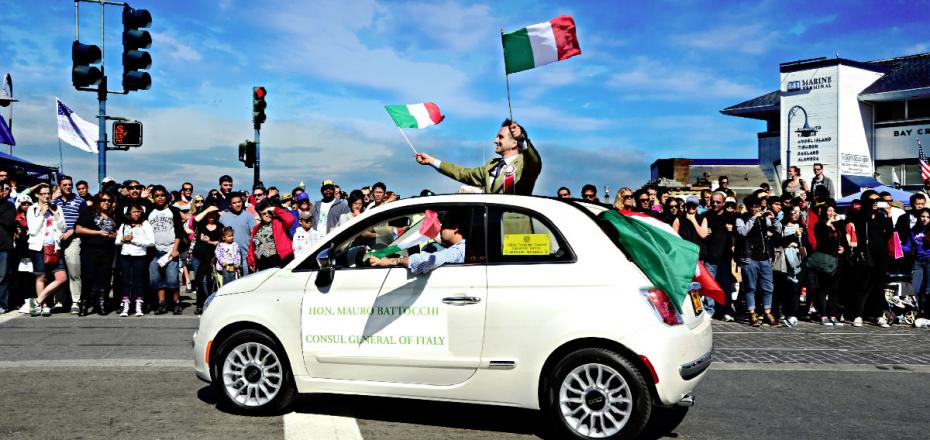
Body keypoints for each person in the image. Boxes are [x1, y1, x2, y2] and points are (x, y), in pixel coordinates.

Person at [415, 120, 541, 195]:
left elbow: (534, 161)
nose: (495, 141)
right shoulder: (491, 166)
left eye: (500, 137)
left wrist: (522, 139)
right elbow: (462, 173)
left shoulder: (525, 164)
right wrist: (432, 161)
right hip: (489, 228)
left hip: (514, 232)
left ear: (514, 143)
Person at [370, 210, 467, 274]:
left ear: (455, 228)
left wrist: (393, 261)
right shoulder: (463, 248)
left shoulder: (459, 250)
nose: (440, 228)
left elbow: (426, 261)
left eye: (444, 224)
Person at [735, 196, 781, 326]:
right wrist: (754, 218)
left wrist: (774, 219)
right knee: (750, 288)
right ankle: (752, 313)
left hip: (765, 257)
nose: (757, 209)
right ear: (749, 207)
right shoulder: (741, 218)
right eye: (754, 206)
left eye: (759, 206)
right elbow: (743, 232)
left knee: (768, 287)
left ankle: (767, 312)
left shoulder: (763, 218)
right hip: (749, 258)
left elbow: (778, 231)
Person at [852, 192, 893, 328]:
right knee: (863, 285)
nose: (876, 203)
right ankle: (858, 314)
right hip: (867, 254)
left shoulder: (881, 216)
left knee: (879, 286)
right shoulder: (861, 216)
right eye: (872, 201)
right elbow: (859, 230)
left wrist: (888, 215)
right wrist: (869, 211)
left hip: (881, 255)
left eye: (878, 200)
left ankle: (878, 315)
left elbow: (889, 233)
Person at [26, 184, 67, 317]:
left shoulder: (56, 207)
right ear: (37, 195)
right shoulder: (32, 209)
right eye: (43, 194)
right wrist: (42, 214)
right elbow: (32, 230)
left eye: (48, 193)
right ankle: (44, 306)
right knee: (41, 277)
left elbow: (63, 228)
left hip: (54, 247)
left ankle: (37, 301)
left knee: (62, 277)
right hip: (38, 247)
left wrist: (55, 215)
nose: (46, 196)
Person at [75, 193, 118, 316]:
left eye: (109, 200)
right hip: (89, 250)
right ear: (98, 201)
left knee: (104, 279)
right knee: (88, 278)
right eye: (103, 200)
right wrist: (98, 233)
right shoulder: (89, 212)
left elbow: (117, 232)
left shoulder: (113, 215)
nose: (106, 202)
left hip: (107, 251)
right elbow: (78, 229)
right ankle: (84, 304)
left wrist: (114, 235)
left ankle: (102, 304)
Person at [146, 185, 185, 315]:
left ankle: (176, 303)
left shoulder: (173, 210)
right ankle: (161, 303)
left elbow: (179, 232)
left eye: (162, 195)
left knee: (172, 279)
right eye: (157, 196)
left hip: (170, 250)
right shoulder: (149, 211)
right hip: (154, 251)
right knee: (156, 279)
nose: (160, 198)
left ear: (166, 196)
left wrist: (175, 249)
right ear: (153, 197)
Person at [52, 176, 85, 313]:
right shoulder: (54, 202)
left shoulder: (79, 201)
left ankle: (75, 301)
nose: (68, 187)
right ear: (60, 186)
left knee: (74, 272)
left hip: (73, 239)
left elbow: (84, 220)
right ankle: (59, 301)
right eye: (65, 184)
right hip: (56, 241)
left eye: (70, 184)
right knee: (58, 273)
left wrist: (72, 230)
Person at [114, 202, 154, 317]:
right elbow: (117, 241)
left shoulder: (145, 224)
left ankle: (138, 305)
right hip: (125, 256)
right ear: (129, 213)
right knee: (125, 281)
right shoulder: (124, 225)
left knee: (139, 282)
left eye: (139, 211)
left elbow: (151, 242)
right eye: (134, 212)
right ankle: (126, 306)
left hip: (140, 256)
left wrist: (134, 240)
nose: (137, 214)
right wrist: (123, 239)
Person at [701, 191, 736, 321]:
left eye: (718, 202)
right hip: (710, 256)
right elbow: (699, 231)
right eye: (713, 201)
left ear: (723, 203)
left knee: (725, 286)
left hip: (725, 257)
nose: (715, 204)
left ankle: (725, 311)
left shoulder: (730, 217)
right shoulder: (705, 216)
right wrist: (704, 230)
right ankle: (710, 310)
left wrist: (732, 230)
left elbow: (739, 234)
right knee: (710, 285)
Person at [811, 203, 846, 326]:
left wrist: (843, 249)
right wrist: (829, 222)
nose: (831, 213)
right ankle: (823, 315)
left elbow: (844, 240)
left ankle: (833, 315)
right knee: (823, 288)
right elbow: (823, 240)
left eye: (833, 210)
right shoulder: (820, 225)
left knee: (834, 289)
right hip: (825, 259)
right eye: (829, 211)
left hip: (837, 259)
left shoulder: (838, 225)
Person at [190, 202, 224, 315]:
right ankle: (200, 305)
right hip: (198, 257)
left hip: (211, 258)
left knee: (210, 281)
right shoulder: (201, 224)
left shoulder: (220, 226)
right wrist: (207, 209)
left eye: (214, 214)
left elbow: (222, 242)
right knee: (200, 281)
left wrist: (209, 241)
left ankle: (209, 303)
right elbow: (195, 220)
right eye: (210, 214)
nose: (211, 216)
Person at [248, 199, 295, 272]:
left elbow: (290, 219)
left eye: (269, 212)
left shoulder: (279, 222)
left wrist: (275, 209)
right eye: (264, 213)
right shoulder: (256, 228)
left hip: (279, 261)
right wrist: (251, 261)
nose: (267, 215)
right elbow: (252, 245)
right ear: (260, 215)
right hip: (262, 264)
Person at [219, 193, 256, 277]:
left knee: (247, 278)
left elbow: (254, 233)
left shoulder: (248, 216)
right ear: (230, 205)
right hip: (229, 256)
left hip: (245, 255)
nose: (237, 204)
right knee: (231, 280)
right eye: (234, 203)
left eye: (239, 202)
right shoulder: (223, 218)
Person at [903, 208, 930, 317]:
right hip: (917, 262)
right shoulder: (913, 230)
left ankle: (927, 314)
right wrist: (898, 247)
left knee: (928, 289)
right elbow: (909, 247)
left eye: (928, 217)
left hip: (929, 261)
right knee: (914, 288)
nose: (925, 219)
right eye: (923, 216)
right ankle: (917, 311)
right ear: (918, 217)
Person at [0, 183, 14, 314]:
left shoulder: (9, 206)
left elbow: (8, 222)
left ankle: (3, 304)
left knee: (2, 277)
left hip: (3, 246)